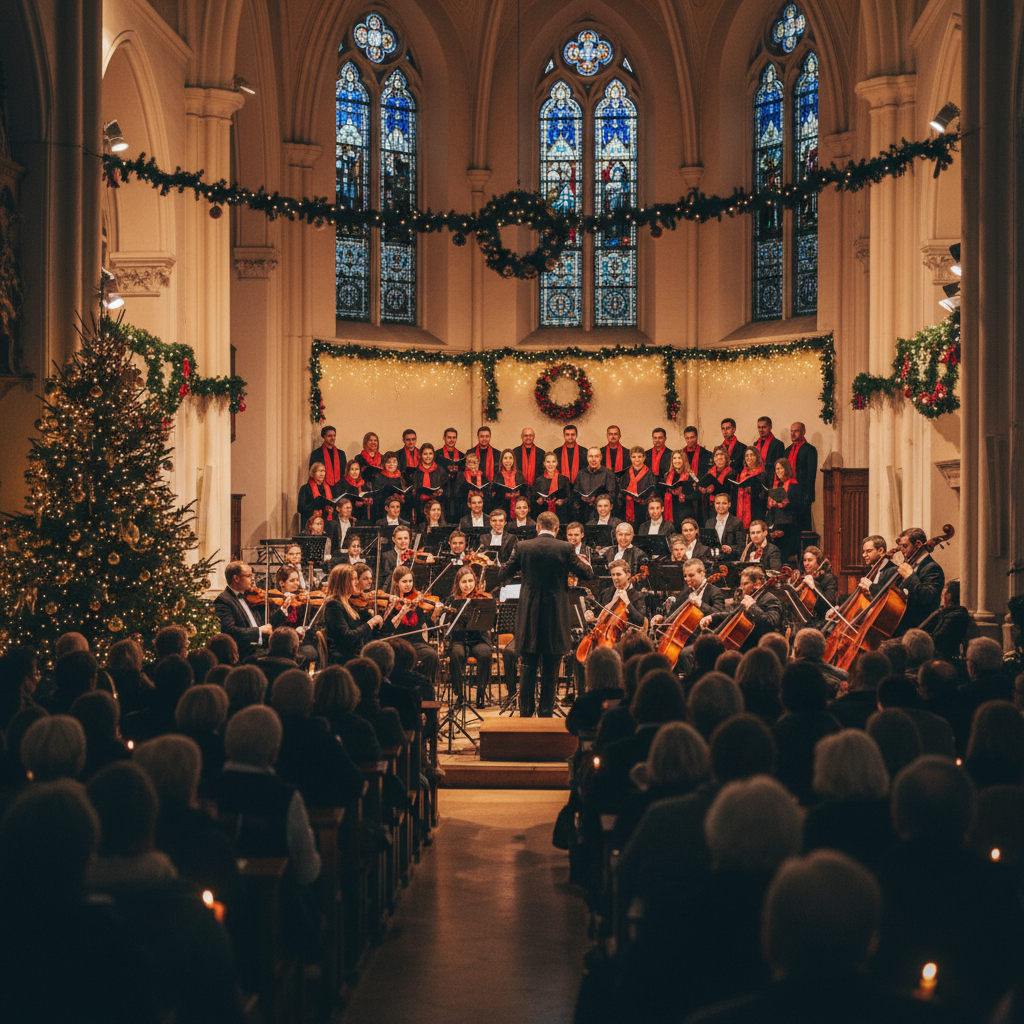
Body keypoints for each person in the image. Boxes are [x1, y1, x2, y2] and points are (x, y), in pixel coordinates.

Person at [495, 511, 593, 717]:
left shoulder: (523, 547)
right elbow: (588, 574)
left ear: (537, 527)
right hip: (555, 616)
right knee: (551, 666)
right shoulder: (566, 548)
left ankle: (525, 713)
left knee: (528, 665)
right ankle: (546, 713)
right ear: (557, 530)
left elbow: (503, 573)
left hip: (529, 615)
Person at [437, 566, 493, 707]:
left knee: (485, 653)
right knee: (456, 654)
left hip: (478, 639)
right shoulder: (452, 600)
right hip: (459, 640)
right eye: (464, 582)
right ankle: (460, 695)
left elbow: (489, 622)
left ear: (475, 581)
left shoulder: (483, 599)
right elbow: (446, 624)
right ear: (458, 584)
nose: (468, 585)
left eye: (470, 581)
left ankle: (481, 693)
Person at [701, 565, 783, 652]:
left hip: (755, 650)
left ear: (757, 583)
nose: (742, 588)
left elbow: (771, 623)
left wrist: (752, 607)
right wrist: (712, 617)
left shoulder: (770, 600)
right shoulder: (750, 597)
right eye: (741, 585)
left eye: (745, 584)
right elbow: (733, 615)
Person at [381, 566, 440, 685]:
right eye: (404, 581)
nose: (408, 585)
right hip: (397, 642)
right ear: (396, 583)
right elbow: (388, 628)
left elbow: (429, 625)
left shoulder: (417, 601)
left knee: (431, 655)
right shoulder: (391, 602)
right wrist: (402, 612)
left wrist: (435, 613)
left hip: (416, 642)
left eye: (410, 581)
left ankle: (425, 688)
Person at [321, 563, 384, 664]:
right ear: (343, 582)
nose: (357, 582)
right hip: (345, 660)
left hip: (354, 655)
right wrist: (371, 623)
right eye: (354, 579)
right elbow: (347, 638)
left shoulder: (346, 603)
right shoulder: (333, 606)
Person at [890, 526, 945, 633]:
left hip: (917, 626)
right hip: (901, 622)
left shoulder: (932, 568)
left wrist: (910, 577)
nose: (901, 550)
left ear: (918, 544)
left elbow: (928, 598)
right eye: (900, 546)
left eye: (905, 546)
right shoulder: (909, 565)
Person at [213, 562, 273, 660]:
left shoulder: (248, 597)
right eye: (248, 576)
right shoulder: (223, 600)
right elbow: (230, 631)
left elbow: (263, 624)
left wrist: (283, 609)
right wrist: (259, 631)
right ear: (236, 578)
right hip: (245, 653)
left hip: (259, 649)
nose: (253, 579)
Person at [653, 557, 727, 629]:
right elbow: (673, 611)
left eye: (691, 575)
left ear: (702, 573)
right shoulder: (686, 591)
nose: (687, 579)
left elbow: (720, 616)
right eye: (685, 576)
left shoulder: (715, 592)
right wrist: (660, 616)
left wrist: (701, 604)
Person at [584, 558, 647, 631]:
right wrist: (590, 614)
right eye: (613, 575)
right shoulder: (606, 593)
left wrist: (627, 603)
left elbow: (641, 622)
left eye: (618, 574)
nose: (615, 578)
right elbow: (597, 612)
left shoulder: (638, 596)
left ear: (628, 575)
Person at [918, 579, 970, 660]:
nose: (941, 597)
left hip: (940, 657)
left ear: (948, 596)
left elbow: (938, 640)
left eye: (943, 593)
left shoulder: (956, 615)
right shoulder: (943, 612)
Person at [765, 458, 801, 565]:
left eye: (781, 468)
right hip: (777, 520)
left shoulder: (793, 484)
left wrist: (786, 502)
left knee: (784, 552)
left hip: (788, 522)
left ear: (786, 469)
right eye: (777, 469)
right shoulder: (777, 485)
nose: (778, 471)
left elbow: (797, 505)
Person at [784, 420, 818, 531]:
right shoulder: (787, 450)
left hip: (803, 495)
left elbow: (811, 475)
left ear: (803, 432)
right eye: (791, 431)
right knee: (790, 527)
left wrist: (807, 496)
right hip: (789, 494)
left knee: (804, 527)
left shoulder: (810, 450)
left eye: (796, 431)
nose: (793, 434)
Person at [795, 545, 839, 631]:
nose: (806, 563)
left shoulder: (830, 578)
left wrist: (814, 585)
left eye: (810, 560)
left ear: (818, 561)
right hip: (805, 621)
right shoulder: (804, 577)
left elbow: (829, 603)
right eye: (804, 560)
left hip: (821, 622)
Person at [573, 446, 618, 519]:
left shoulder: (608, 474)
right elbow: (575, 492)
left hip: (601, 512)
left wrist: (595, 499)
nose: (593, 459)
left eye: (596, 456)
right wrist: (581, 499)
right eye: (590, 456)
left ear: (601, 458)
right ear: (587, 458)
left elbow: (612, 495)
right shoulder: (581, 473)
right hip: (583, 511)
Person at [660, 448, 698, 526]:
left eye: (679, 458)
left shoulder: (691, 475)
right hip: (671, 510)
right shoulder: (667, 475)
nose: (677, 461)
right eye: (674, 458)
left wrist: (685, 496)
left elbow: (696, 496)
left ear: (684, 460)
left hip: (686, 511)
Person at [409, 442, 446, 521]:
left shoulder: (440, 470)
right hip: (420, 506)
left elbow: (446, 488)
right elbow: (413, 489)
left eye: (430, 453)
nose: (428, 456)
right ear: (421, 455)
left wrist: (441, 491)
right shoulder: (416, 471)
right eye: (425, 454)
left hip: (437, 506)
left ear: (434, 455)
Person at [734, 447, 768, 529]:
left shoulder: (762, 474)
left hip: (755, 510)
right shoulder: (742, 474)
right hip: (741, 510)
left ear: (756, 457)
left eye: (751, 455)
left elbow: (764, 496)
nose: (749, 458)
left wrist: (753, 491)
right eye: (746, 456)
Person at [622, 444, 657, 525]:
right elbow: (622, 488)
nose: (636, 459)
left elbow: (652, 490)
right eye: (634, 457)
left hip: (643, 506)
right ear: (630, 458)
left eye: (639, 456)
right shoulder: (626, 473)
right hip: (627, 506)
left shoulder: (649, 473)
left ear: (644, 457)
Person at [532, 451, 571, 522]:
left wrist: (563, 501)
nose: (551, 464)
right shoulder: (539, 480)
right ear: (544, 463)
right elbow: (534, 498)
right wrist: (539, 500)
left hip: (560, 514)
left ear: (557, 463)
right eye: (548, 462)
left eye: (553, 461)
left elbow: (570, 498)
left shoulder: (564, 479)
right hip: (543, 514)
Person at [309, 425, 346, 496]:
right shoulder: (316, 453)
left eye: (334, 435)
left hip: (339, 489)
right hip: (322, 489)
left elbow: (344, 472)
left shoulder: (341, 454)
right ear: (323, 437)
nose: (333, 438)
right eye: (329, 436)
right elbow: (312, 473)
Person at [297, 462, 334, 532]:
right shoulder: (305, 488)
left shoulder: (328, 488)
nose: (322, 474)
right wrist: (314, 507)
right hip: (310, 524)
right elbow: (300, 508)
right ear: (313, 473)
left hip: (325, 523)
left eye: (323, 471)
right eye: (319, 471)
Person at [706, 492, 745, 557]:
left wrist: (731, 549)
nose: (720, 506)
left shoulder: (737, 522)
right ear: (714, 504)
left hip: (729, 559)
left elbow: (741, 546)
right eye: (718, 503)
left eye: (724, 503)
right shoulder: (709, 522)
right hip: (712, 559)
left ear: (729, 504)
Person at [491, 447, 527, 516]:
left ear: (514, 460)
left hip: (518, 508)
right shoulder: (497, 475)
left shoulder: (519, 474)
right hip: (503, 509)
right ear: (501, 460)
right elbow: (494, 498)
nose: (508, 461)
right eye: (505, 458)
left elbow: (524, 492)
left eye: (510, 458)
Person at [374, 452, 410, 520]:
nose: (392, 464)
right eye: (389, 462)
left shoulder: (401, 477)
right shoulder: (379, 478)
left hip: (400, 510)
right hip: (384, 510)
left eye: (394, 462)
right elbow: (377, 498)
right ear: (384, 463)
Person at [600, 424, 630, 494]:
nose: (613, 436)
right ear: (607, 436)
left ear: (619, 436)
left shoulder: (627, 453)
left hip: (622, 488)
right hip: (604, 488)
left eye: (615, 434)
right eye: (610, 434)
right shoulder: (600, 452)